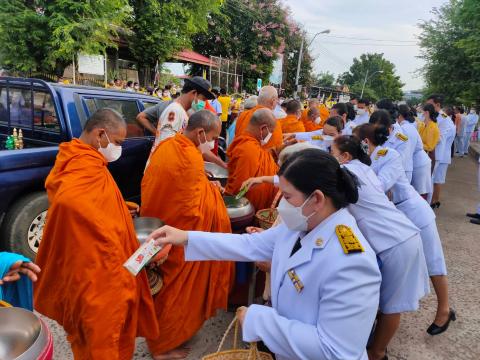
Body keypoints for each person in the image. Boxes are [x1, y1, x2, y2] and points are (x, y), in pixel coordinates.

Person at [149, 149, 381, 360]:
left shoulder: (353, 262)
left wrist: (259, 320)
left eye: (288, 198)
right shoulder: (299, 226)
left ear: (317, 199)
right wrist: (185, 237)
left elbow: (335, 351)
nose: (282, 207)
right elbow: (249, 245)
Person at [34, 109, 159, 359]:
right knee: (101, 343)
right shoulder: (81, 169)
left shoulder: (80, 160)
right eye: (119, 142)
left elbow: (93, 207)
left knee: (105, 341)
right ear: (101, 134)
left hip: (97, 272)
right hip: (96, 279)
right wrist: (140, 254)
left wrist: (120, 207)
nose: (119, 149)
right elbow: (77, 207)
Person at [141, 110, 233, 359]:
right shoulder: (189, 157)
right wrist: (213, 197)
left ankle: (161, 338)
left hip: (158, 224)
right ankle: (162, 347)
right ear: (201, 132)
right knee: (174, 290)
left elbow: (179, 186)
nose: (213, 143)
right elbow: (193, 212)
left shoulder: (168, 145)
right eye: (213, 137)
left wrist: (206, 185)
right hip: (177, 237)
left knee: (163, 288)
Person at [331, 135, 430, 359]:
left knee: (392, 304)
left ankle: (377, 352)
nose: (330, 156)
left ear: (345, 156)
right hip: (396, 235)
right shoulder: (363, 169)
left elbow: (312, 178)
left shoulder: (349, 172)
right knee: (382, 299)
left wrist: (269, 180)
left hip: (396, 240)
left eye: (332, 152)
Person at [354, 124, 454, 335]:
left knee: (434, 262)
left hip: (413, 212)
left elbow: (379, 187)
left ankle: (444, 309)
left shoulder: (388, 154)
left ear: (364, 141)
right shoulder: (364, 160)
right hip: (396, 217)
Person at [225, 109, 279, 211]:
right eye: (271, 132)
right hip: (247, 208)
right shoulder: (248, 148)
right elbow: (239, 187)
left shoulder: (250, 143)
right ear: (263, 128)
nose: (270, 136)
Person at [148, 76, 215, 157]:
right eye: (203, 99)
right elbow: (166, 147)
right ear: (194, 93)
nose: (204, 103)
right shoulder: (174, 111)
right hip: (163, 165)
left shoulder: (184, 112)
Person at [427, 95, 456, 208]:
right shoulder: (437, 116)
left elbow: (439, 138)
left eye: (430, 104)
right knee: (435, 178)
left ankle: (434, 201)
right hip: (437, 153)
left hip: (440, 154)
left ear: (437, 105)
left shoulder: (443, 118)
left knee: (436, 179)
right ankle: (434, 201)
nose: (427, 106)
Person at [398, 105, 432, 198]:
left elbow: (406, 150)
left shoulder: (403, 128)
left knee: (420, 191)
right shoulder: (409, 126)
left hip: (418, 162)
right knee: (420, 191)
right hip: (419, 160)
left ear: (399, 115)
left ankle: (424, 211)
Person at [234, 86, 282, 150]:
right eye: (276, 101)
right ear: (273, 101)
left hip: (238, 155)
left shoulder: (243, 115)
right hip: (256, 158)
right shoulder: (272, 122)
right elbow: (276, 151)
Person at [418, 103, 440, 168]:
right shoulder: (424, 124)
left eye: (422, 112)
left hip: (428, 157)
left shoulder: (432, 127)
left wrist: (417, 144)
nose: (422, 114)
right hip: (423, 156)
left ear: (427, 112)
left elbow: (429, 147)